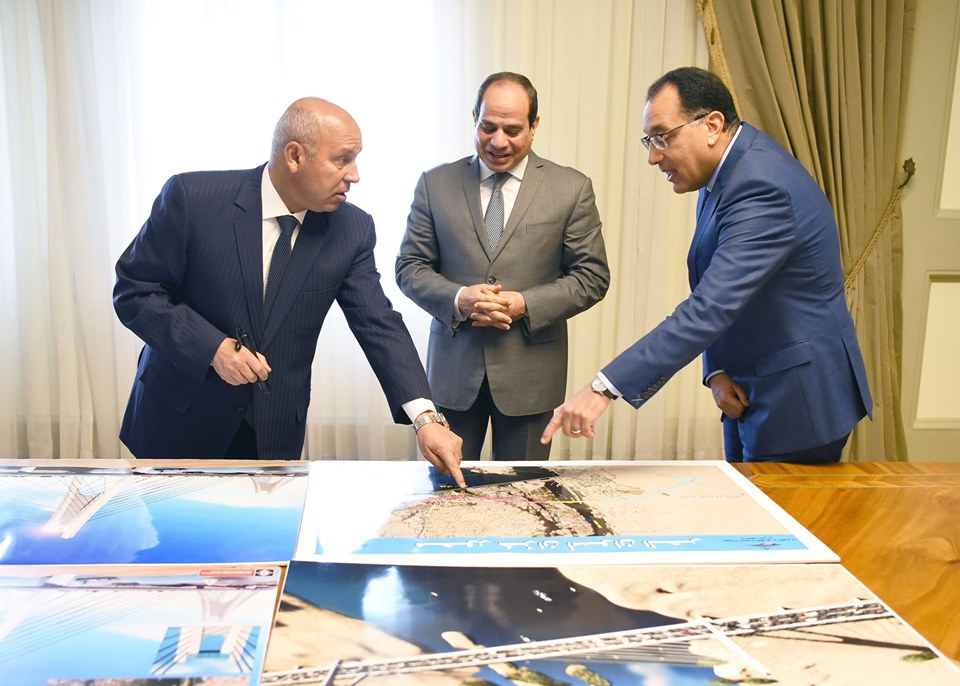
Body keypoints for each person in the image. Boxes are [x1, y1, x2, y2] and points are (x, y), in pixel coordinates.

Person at [115, 97, 465, 485]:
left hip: (271, 436)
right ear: (295, 156)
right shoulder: (192, 197)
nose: (355, 175)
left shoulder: (352, 229)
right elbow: (135, 291)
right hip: (178, 423)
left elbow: (378, 324)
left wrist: (425, 418)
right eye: (342, 160)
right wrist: (213, 349)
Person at [542, 67, 873, 463]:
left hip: (799, 399)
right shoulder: (723, 173)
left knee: (771, 506)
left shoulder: (762, 185)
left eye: (662, 137)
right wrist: (716, 371)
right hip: (745, 388)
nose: (653, 156)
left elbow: (710, 307)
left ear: (712, 125)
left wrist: (604, 387)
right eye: (649, 140)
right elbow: (718, 285)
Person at [396, 71, 610, 461]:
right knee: (447, 489)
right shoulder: (434, 184)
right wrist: (460, 298)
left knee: (524, 491)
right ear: (474, 118)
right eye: (488, 127)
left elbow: (591, 277)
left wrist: (524, 303)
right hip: (452, 375)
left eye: (512, 130)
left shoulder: (571, 188)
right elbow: (410, 266)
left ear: (534, 126)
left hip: (531, 377)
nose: (498, 141)